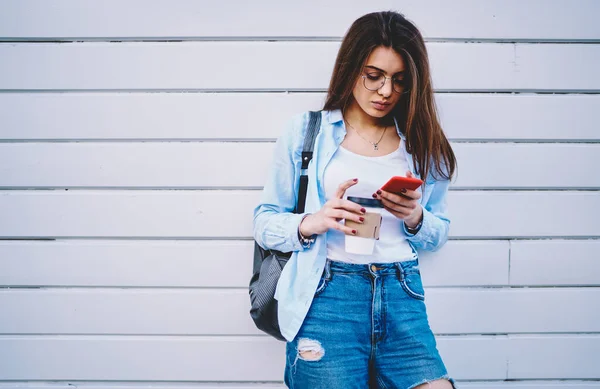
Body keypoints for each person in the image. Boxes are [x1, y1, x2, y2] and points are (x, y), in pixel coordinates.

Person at [253, 10, 458, 389]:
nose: (385, 91)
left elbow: (439, 231)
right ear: (351, 69)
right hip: (328, 293)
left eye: (399, 80)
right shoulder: (306, 132)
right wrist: (312, 221)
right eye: (374, 75)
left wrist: (414, 217)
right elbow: (264, 221)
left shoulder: (423, 142)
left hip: (401, 292)